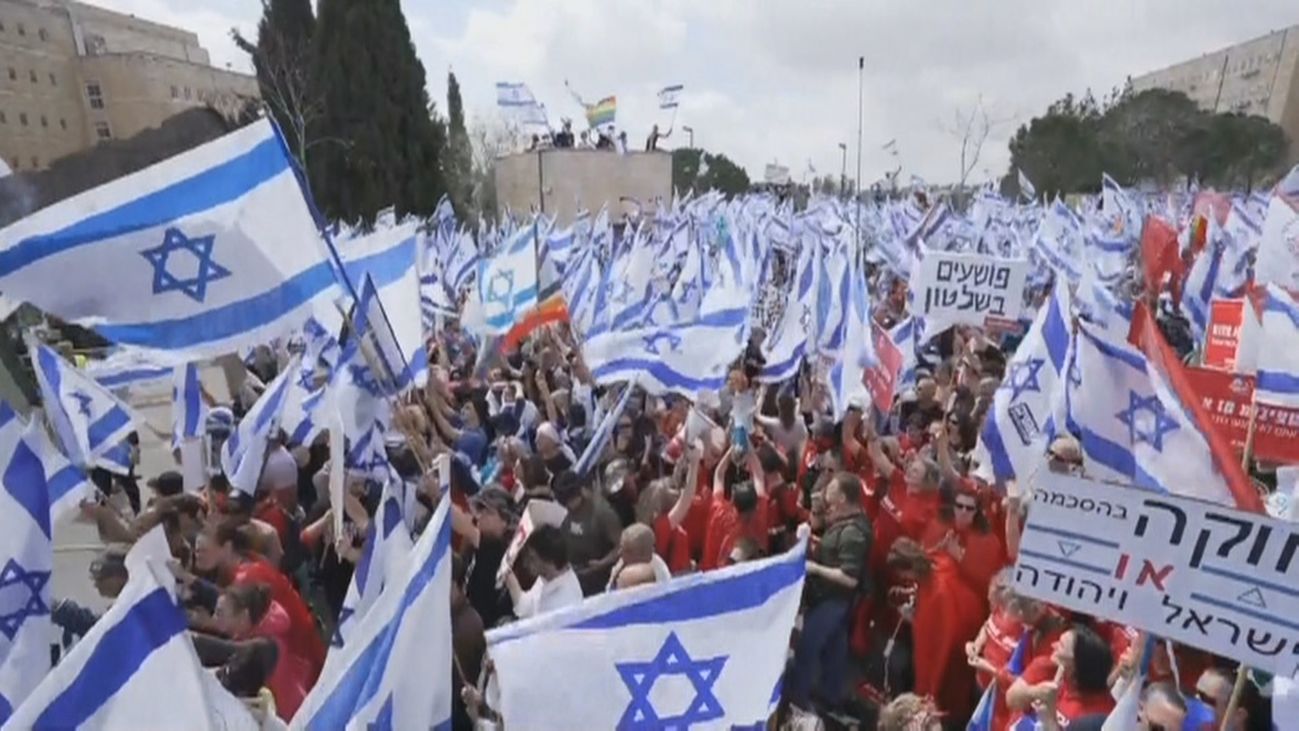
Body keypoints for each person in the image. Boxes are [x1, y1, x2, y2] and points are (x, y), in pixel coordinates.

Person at [786, 473, 871, 714]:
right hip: (832, 600)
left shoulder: (853, 533)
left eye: (832, 489)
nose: (827, 492)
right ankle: (830, 696)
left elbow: (849, 577)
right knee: (835, 649)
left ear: (843, 497)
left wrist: (815, 568)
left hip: (832, 601)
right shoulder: (846, 521)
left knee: (807, 647)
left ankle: (798, 701)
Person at [887, 537, 985, 720]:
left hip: (949, 659)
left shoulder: (940, 594)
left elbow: (943, 642)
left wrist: (932, 688)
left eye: (904, 574)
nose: (905, 579)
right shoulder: (938, 562)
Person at [213, 583, 314, 721]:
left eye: (220, 613)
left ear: (244, 615)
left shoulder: (263, 646)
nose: (214, 618)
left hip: (292, 717)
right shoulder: (255, 634)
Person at [451, 487, 516, 627]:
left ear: (504, 520)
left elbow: (461, 524)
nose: (480, 516)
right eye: (479, 511)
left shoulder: (503, 550)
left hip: (487, 630)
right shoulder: (474, 548)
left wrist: (439, 497)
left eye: (488, 512)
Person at [552, 470, 621, 595]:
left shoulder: (602, 512)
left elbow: (621, 546)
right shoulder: (565, 510)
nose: (567, 506)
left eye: (569, 502)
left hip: (599, 579)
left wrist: (602, 563)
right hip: (573, 574)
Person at [1034, 625, 1116, 728]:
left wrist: (1049, 718)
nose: (1053, 645)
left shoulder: (1101, 719)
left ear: (1075, 664)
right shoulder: (1060, 682)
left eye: (1061, 645)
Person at [506, 524, 583, 618]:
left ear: (549, 561)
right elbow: (525, 608)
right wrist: (508, 574)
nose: (526, 563)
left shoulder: (564, 602)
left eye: (532, 558)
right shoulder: (546, 577)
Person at [606, 523, 671, 590]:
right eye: (621, 547)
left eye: (628, 550)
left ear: (646, 554)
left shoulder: (659, 571)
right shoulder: (621, 564)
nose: (620, 553)